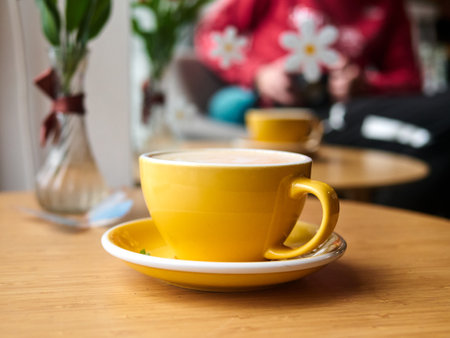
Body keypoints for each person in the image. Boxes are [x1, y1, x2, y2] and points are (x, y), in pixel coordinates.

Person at [194, 0, 450, 217]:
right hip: (295, 120)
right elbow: (210, 37)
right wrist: (259, 74)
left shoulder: (388, 5)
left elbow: (409, 79)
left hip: (353, 106)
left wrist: (365, 83)